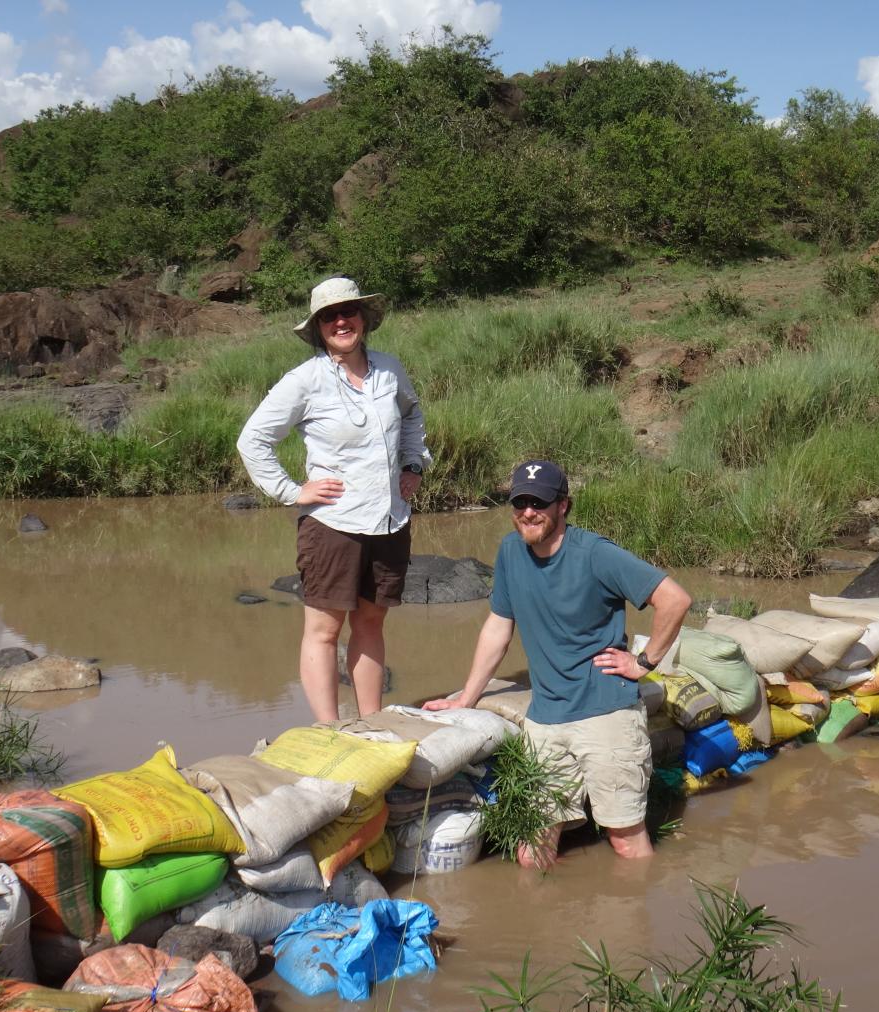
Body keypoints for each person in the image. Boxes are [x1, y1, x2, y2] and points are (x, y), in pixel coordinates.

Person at [425, 460, 691, 867]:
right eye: (520, 502)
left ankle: (637, 922)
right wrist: (467, 697)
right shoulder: (511, 551)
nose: (528, 512)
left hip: (606, 715)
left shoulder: (595, 554)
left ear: (563, 505)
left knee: (625, 842)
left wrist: (643, 663)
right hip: (545, 720)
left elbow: (675, 598)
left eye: (539, 502)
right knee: (532, 851)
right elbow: (498, 627)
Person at [237, 276, 428, 726]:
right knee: (324, 633)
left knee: (370, 624)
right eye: (329, 316)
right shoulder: (305, 381)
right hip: (333, 525)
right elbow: (253, 440)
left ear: (363, 318)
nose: (341, 321)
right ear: (319, 328)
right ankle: (329, 731)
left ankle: (373, 724)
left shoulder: (389, 369)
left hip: (389, 521)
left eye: (348, 312)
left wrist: (413, 466)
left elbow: (412, 416)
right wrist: (291, 491)